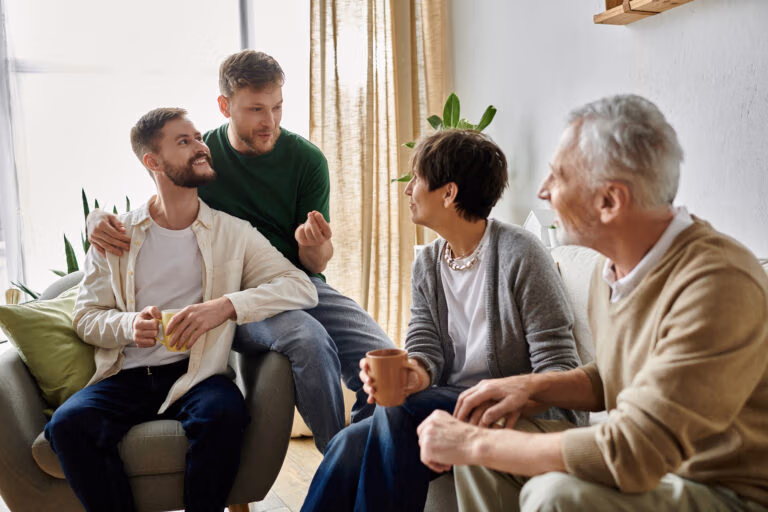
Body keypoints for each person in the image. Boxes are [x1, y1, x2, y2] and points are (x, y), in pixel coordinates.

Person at [417, 94, 768, 512]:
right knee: (484, 452)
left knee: (547, 490)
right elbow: (618, 378)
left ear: (610, 201)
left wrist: (476, 443)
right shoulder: (617, 271)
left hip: (723, 490)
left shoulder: (718, 284)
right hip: (650, 466)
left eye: (559, 177)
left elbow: (634, 452)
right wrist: (529, 386)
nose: (544, 192)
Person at [86, 50, 394, 453]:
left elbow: (312, 269)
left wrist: (312, 248)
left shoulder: (306, 161)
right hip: (231, 292)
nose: (270, 122)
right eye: (255, 109)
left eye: (278, 107)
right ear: (224, 105)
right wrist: (95, 220)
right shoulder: (203, 156)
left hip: (294, 282)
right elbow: (162, 198)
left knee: (387, 362)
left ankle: (367, 457)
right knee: (307, 338)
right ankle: (338, 461)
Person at [45, 107, 318, 512]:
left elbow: (300, 286)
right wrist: (128, 326)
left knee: (223, 418)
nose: (201, 147)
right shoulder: (117, 235)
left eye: (198, 138)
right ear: (152, 162)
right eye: (184, 141)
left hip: (200, 372)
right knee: (67, 426)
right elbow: (86, 317)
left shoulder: (233, 233)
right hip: (128, 375)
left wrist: (225, 307)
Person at [301, 129, 586, 512]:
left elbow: (558, 366)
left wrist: (501, 396)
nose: (408, 191)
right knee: (349, 442)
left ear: (448, 193)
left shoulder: (522, 255)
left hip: (520, 412)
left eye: (416, 179)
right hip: (449, 401)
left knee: (399, 410)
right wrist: (412, 374)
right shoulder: (429, 263)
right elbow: (425, 347)